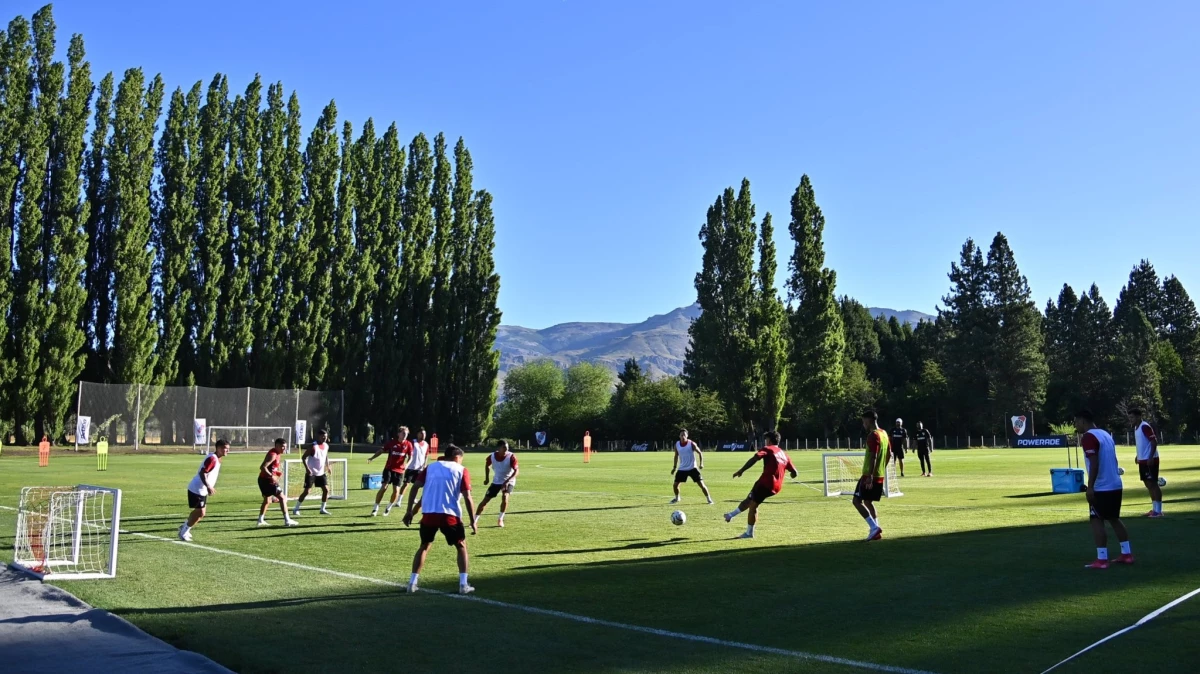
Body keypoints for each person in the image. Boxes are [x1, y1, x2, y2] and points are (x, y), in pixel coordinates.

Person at [402, 444, 478, 595]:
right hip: (450, 515)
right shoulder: (461, 470)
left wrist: (409, 511)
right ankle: (463, 584)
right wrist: (473, 520)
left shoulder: (430, 468)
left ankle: (412, 583)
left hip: (429, 514)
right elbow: (468, 497)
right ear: (457, 457)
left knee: (424, 546)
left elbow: (415, 487)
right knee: (461, 546)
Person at [1077, 409, 1134, 568]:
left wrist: (1091, 487)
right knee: (1114, 519)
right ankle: (1126, 554)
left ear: (1083, 420)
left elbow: (1094, 463)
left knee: (1096, 520)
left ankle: (1102, 559)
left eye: (1076, 422)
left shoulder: (1088, 437)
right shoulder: (1105, 434)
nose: (1076, 426)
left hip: (1102, 487)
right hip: (1115, 483)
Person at [724, 431, 797, 539]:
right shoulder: (784, 454)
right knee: (750, 500)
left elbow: (755, 458)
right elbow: (795, 472)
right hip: (776, 486)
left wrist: (741, 470)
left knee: (753, 505)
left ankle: (749, 533)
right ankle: (730, 515)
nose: (765, 442)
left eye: (766, 439)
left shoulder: (768, 449)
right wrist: (792, 474)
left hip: (766, 483)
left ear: (770, 440)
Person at [180, 439, 229, 541]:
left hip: (201, 489)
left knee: (200, 513)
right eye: (225, 449)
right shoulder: (213, 459)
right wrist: (208, 486)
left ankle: (185, 526)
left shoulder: (217, 458)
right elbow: (203, 473)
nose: (227, 451)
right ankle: (183, 531)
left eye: (228, 449)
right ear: (219, 448)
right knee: (200, 513)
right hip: (197, 489)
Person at [855, 410, 890, 541]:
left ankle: (873, 527)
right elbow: (889, 454)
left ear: (869, 420)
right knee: (868, 502)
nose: (863, 424)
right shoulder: (884, 434)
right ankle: (876, 529)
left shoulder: (872, 435)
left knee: (856, 501)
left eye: (864, 421)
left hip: (868, 476)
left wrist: (869, 476)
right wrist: (881, 469)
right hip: (879, 475)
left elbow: (873, 456)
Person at [474, 440, 520, 528]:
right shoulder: (492, 456)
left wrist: (507, 481)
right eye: (504, 448)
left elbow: (516, 471)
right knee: (485, 501)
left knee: (505, 497)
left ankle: (500, 519)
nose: (506, 449)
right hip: (497, 481)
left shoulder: (511, 456)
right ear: (498, 448)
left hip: (509, 480)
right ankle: (475, 520)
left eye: (507, 448)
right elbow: (487, 465)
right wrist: (487, 478)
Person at [369, 426, 411, 516]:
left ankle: (389, 507)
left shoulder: (408, 444)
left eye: (406, 433)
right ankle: (375, 508)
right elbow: (381, 450)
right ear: (398, 434)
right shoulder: (392, 443)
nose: (405, 435)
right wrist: (372, 458)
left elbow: (411, 457)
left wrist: (407, 465)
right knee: (384, 487)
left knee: (396, 491)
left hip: (400, 471)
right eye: (403, 433)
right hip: (389, 469)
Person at [1129, 409, 1163, 518]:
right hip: (1142, 460)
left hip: (1150, 460)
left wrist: (1150, 457)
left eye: (1132, 417)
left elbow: (1154, 442)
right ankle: (1154, 509)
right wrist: (1138, 456)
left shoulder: (1145, 426)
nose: (1131, 419)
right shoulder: (1136, 428)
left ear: (1139, 417)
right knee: (1148, 485)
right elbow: (1143, 444)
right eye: (1130, 417)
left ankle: (1159, 511)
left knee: (1153, 484)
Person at [257, 438, 298, 527]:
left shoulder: (277, 454)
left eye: (285, 447)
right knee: (282, 498)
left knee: (267, 500)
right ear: (276, 446)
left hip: (263, 479)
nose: (284, 449)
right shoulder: (273, 454)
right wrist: (272, 476)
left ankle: (260, 520)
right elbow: (262, 467)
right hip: (268, 480)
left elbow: (271, 468)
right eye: (282, 447)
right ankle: (287, 520)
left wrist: (277, 473)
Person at [292, 429, 332, 516]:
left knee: (326, 490)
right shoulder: (313, 447)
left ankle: (322, 509)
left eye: (326, 437)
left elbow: (326, 456)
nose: (325, 438)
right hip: (311, 473)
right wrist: (307, 469)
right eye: (323, 437)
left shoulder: (326, 446)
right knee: (307, 491)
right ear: (319, 436)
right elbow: (303, 458)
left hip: (321, 473)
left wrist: (328, 465)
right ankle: (296, 508)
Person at [669, 429, 713, 505]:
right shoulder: (677, 444)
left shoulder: (691, 444)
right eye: (681, 435)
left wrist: (701, 464)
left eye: (684, 435)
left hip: (692, 468)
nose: (683, 436)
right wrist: (674, 467)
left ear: (687, 436)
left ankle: (709, 499)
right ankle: (677, 498)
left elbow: (700, 453)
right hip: (682, 468)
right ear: (679, 436)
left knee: (701, 485)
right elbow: (676, 456)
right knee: (675, 485)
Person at [402, 428, 430, 499]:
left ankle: (413, 498)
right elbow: (406, 452)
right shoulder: (412, 442)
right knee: (406, 484)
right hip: (411, 467)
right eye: (422, 433)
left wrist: (424, 465)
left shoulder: (426, 444)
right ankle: (399, 499)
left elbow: (426, 455)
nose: (423, 435)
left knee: (417, 485)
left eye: (425, 434)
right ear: (418, 434)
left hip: (419, 469)